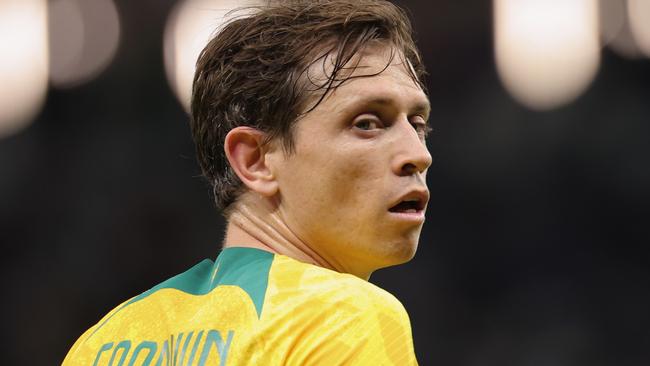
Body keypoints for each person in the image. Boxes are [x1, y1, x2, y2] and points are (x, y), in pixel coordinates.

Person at [63, 0, 431, 364]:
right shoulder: (342, 318)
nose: (418, 154)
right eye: (366, 123)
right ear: (255, 160)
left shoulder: (103, 343)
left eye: (418, 125)